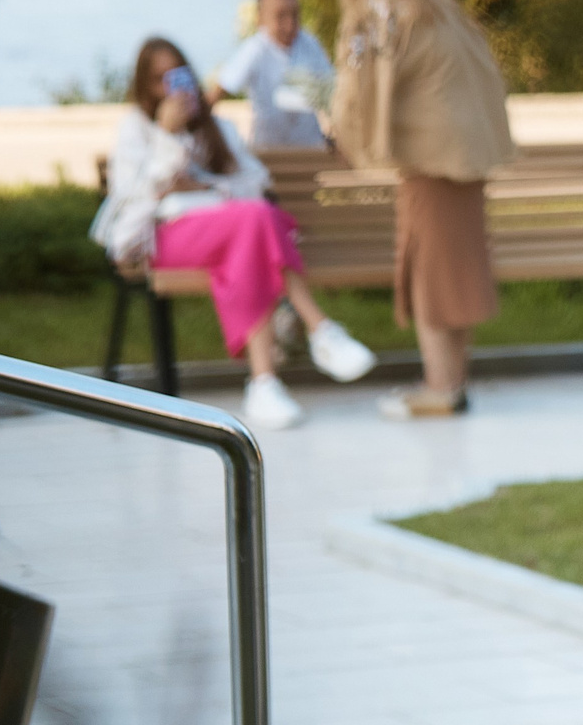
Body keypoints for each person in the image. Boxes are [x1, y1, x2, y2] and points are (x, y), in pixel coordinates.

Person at [90, 36, 376, 432]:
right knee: (254, 222)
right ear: (144, 85)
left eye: (178, 74)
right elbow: (134, 203)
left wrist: (203, 187)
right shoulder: (137, 130)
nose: (171, 88)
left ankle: (264, 382)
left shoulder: (217, 127)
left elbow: (254, 183)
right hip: (165, 240)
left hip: (230, 233)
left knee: (247, 236)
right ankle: (320, 331)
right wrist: (167, 140)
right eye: (159, 79)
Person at [328, 0, 514, 421]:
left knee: (428, 277)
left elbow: (355, 87)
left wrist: (340, 132)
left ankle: (439, 388)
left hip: (430, 162)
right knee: (458, 275)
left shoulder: (378, 12)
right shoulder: (435, 4)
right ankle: (451, 382)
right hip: (468, 155)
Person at [213, 0, 336, 151]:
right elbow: (220, 90)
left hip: (310, 150)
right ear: (260, 18)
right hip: (269, 152)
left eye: (295, 15)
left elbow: (334, 94)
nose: (290, 24)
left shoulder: (310, 44)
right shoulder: (254, 50)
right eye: (280, 16)